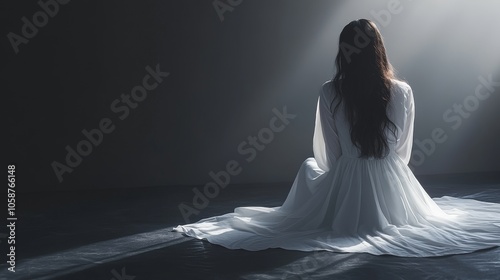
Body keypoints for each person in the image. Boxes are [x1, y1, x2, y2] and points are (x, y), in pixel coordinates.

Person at [173, 19, 500, 257]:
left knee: (309, 167)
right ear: (379, 50)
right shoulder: (402, 91)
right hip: (393, 176)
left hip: (348, 172)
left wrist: (341, 176)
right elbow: (402, 150)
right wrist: (390, 175)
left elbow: (329, 154)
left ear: (344, 52)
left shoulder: (330, 92)